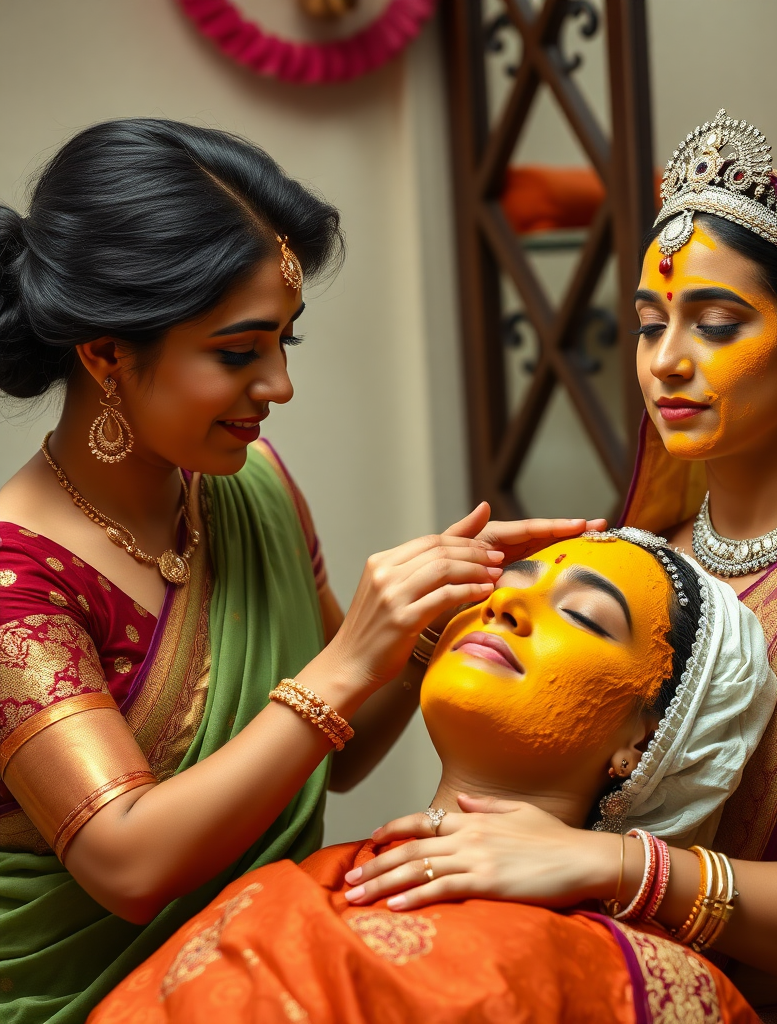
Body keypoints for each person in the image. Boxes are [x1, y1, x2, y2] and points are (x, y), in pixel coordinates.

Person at [346, 111, 777, 1022]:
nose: (667, 362)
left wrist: (619, 866)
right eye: (649, 323)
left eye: (716, 324)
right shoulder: (626, 572)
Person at [0, 118, 602, 1023]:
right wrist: (351, 657)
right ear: (105, 354)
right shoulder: (20, 581)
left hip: (260, 981)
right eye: (239, 352)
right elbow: (126, 864)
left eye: (289, 341)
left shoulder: (250, 487)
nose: (278, 385)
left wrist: (431, 619)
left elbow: (336, 755)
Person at [87, 529, 777, 1024]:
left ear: (648, 737)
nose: (503, 606)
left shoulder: (654, 990)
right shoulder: (287, 888)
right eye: (501, 589)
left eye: (581, 614)